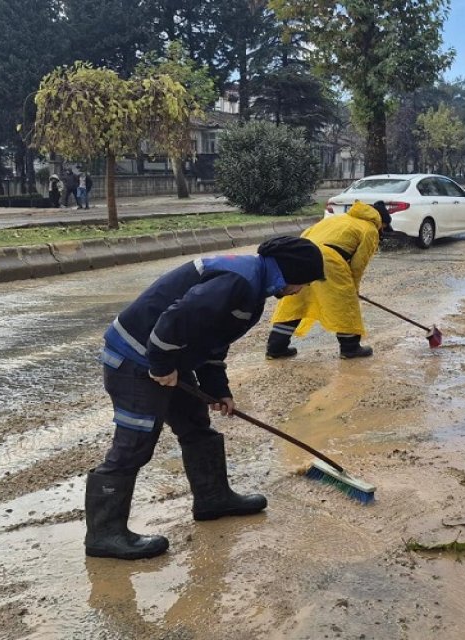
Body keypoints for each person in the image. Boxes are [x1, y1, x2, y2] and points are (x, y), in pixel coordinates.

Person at [85, 237, 325, 561]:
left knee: (196, 425)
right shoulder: (239, 281)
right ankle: (104, 534)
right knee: (135, 442)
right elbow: (174, 319)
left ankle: (213, 500)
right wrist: (161, 367)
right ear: (289, 273)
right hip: (135, 359)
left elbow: (212, 343)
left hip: (167, 359)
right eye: (304, 282)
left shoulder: (253, 287)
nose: (302, 289)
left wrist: (218, 390)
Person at [266, 201, 390, 359]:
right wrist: (353, 289)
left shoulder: (337, 218)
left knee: (295, 301)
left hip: (303, 254)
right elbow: (358, 265)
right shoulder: (370, 229)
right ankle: (350, 348)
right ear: (381, 222)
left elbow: (306, 234)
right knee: (345, 304)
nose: (382, 231)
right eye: (384, 228)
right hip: (330, 259)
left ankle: (276, 347)